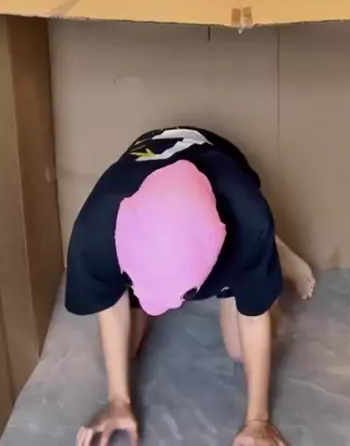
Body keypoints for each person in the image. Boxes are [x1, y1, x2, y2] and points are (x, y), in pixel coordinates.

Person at [66, 126, 315, 446]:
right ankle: (155, 282)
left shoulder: (247, 221)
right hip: (153, 167)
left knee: (241, 350)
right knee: (120, 353)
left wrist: (258, 421)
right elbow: (110, 306)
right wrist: (118, 400)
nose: (171, 309)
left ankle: (272, 250)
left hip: (222, 170)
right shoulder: (95, 231)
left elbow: (255, 320)